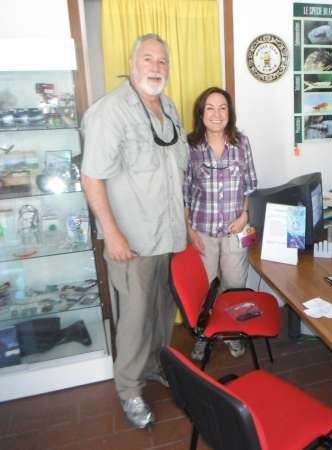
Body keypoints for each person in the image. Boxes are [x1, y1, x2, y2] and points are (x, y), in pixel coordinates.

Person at [81, 34, 188, 429]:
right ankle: (128, 388)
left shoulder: (169, 108)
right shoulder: (111, 111)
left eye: (162, 61)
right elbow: (92, 177)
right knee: (134, 317)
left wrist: (186, 223)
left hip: (168, 236)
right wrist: (113, 234)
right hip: (133, 240)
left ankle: (154, 366)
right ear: (132, 63)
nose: (156, 67)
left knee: (161, 310)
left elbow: (175, 172)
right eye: (148, 59)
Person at [184, 87, 257, 360]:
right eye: (210, 108)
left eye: (223, 108)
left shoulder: (241, 143)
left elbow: (249, 185)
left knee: (235, 286)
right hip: (202, 230)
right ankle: (203, 336)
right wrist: (188, 229)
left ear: (230, 112)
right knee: (203, 291)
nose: (217, 114)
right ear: (201, 113)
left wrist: (245, 216)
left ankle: (232, 333)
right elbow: (185, 191)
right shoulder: (191, 146)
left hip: (235, 231)